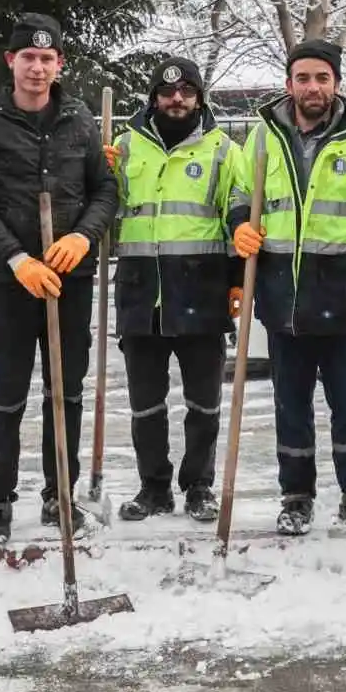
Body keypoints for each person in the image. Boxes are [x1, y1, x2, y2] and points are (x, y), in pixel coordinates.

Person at [0, 13, 118, 543]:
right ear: (12, 61)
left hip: (70, 277)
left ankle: (59, 495)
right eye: (29, 57)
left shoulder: (80, 120)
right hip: (10, 281)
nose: (38, 68)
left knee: (65, 393)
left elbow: (106, 192)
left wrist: (83, 236)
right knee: (6, 393)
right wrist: (15, 259)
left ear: (59, 64)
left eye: (48, 59)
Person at [230, 40, 346, 537]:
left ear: (336, 85)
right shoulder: (262, 138)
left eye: (322, 78)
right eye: (303, 78)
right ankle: (296, 497)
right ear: (289, 85)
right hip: (284, 299)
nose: (313, 87)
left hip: (344, 299)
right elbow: (241, 193)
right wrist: (240, 221)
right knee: (291, 407)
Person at [101, 56, 243, 523]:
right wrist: (95, 176)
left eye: (186, 91)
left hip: (201, 291)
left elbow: (239, 213)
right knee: (146, 403)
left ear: (199, 96)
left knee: (203, 402)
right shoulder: (123, 147)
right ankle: (153, 487)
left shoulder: (222, 149)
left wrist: (239, 279)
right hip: (142, 293)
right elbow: (104, 209)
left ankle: (199, 485)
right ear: (154, 98)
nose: (176, 99)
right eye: (167, 92)